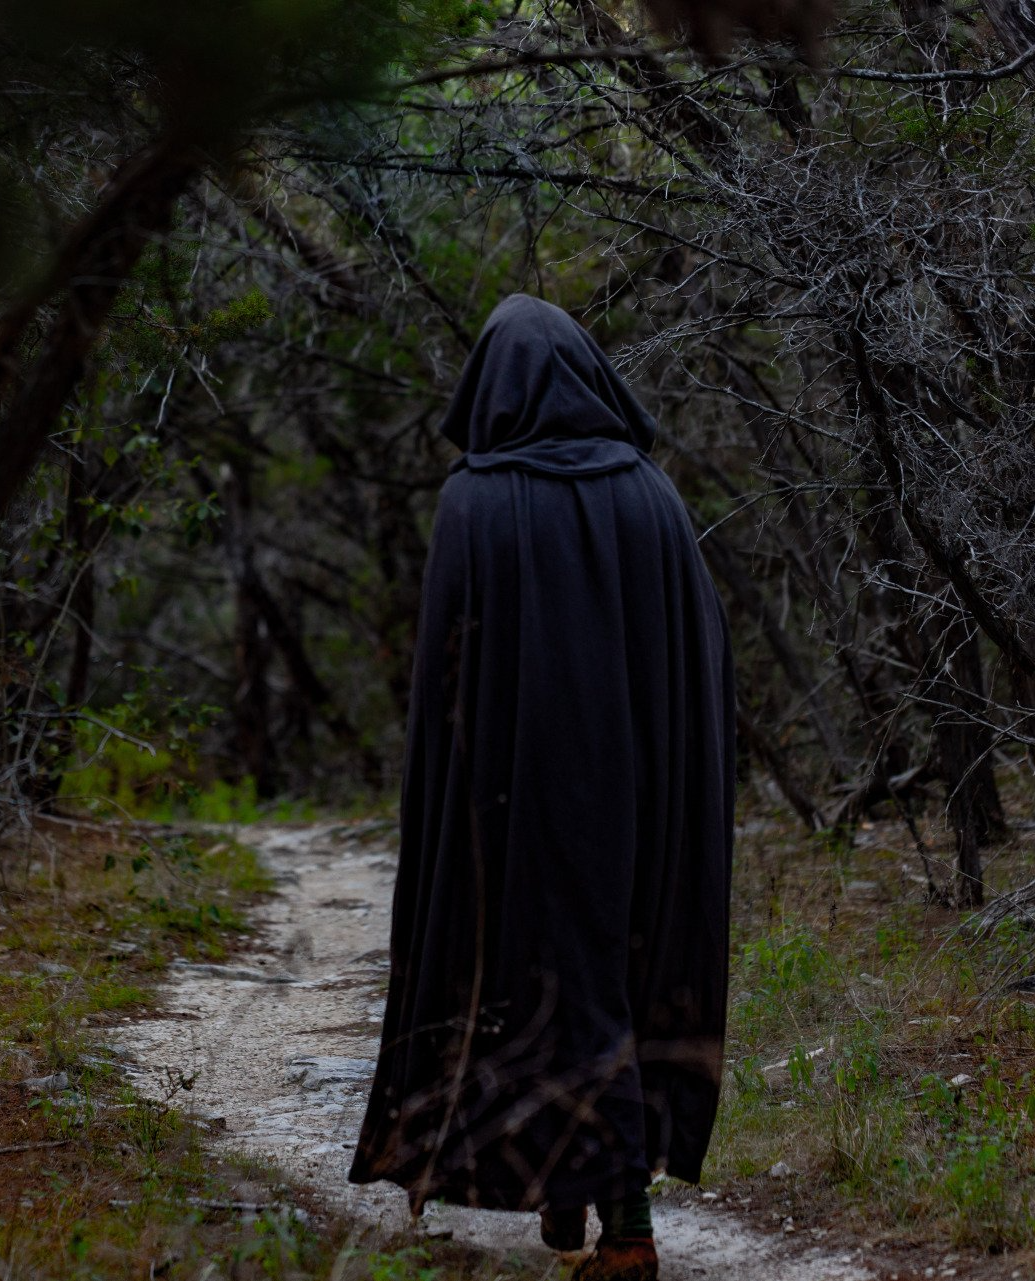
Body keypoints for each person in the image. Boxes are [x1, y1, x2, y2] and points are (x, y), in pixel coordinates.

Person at [348, 293, 735, 1281]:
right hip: (645, 807)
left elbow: (444, 686)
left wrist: (449, 816)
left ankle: (627, 1229)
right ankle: (576, 1203)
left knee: (538, 993)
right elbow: (697, 676)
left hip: (512, 814)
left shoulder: (474, 502)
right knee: (616, 983)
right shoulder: (654, 500)